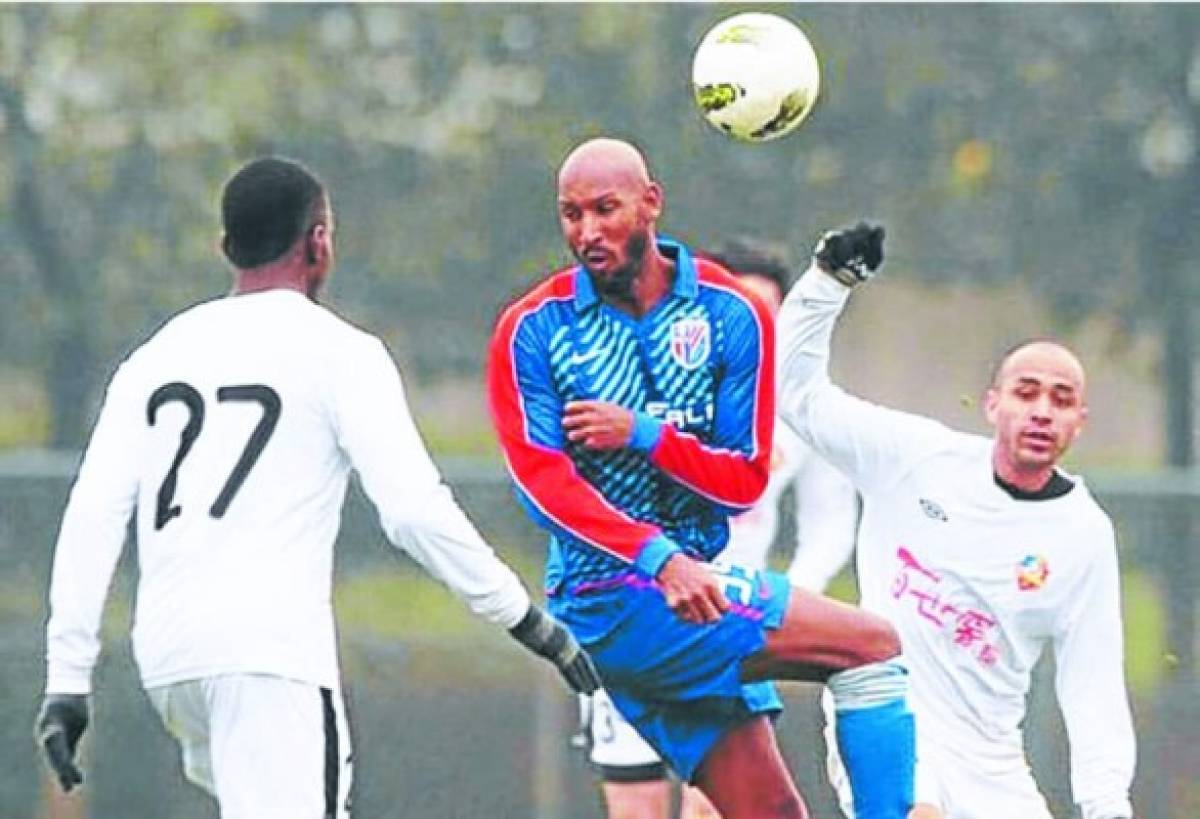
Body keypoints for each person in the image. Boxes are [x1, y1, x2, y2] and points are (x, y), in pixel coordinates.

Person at [34, 156, 600, 819]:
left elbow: (93, 513)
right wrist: (525, 617)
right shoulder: (340, 352)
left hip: (170, 656)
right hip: (268, 655)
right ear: (319, 240)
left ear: (227, 248)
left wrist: (67, 679)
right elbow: (413, 511)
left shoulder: (155, 356)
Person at [485, 137, 914, 819]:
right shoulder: (534, 328)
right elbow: (543, 484)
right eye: (571, 214)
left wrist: (645, 434)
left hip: (696, 596)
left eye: (605, 208)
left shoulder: (729, 312)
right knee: (871, 644)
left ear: (651, 202)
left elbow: (743, 481)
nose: (587, 231)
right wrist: (661, 559)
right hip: (610, 601)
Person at [775, 223, 1137, 819]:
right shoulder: (913, 458)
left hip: (993, 761)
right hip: (886, 714)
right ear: (993, 403)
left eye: (1061, 399)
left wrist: (1108, 807)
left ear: (1080, 423)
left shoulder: (1084, 535)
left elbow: (1091, 686)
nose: (1042, 411)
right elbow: (798, 396)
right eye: (1026, 392)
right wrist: (827, 284)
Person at [576, 240, 861, 819]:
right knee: (635, 807)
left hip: (725, 624)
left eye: (766, 314)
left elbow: (830, 522)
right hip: (634, 615)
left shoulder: (798, 406)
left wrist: (783, 601)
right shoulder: (638, 378)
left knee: (714, 807)